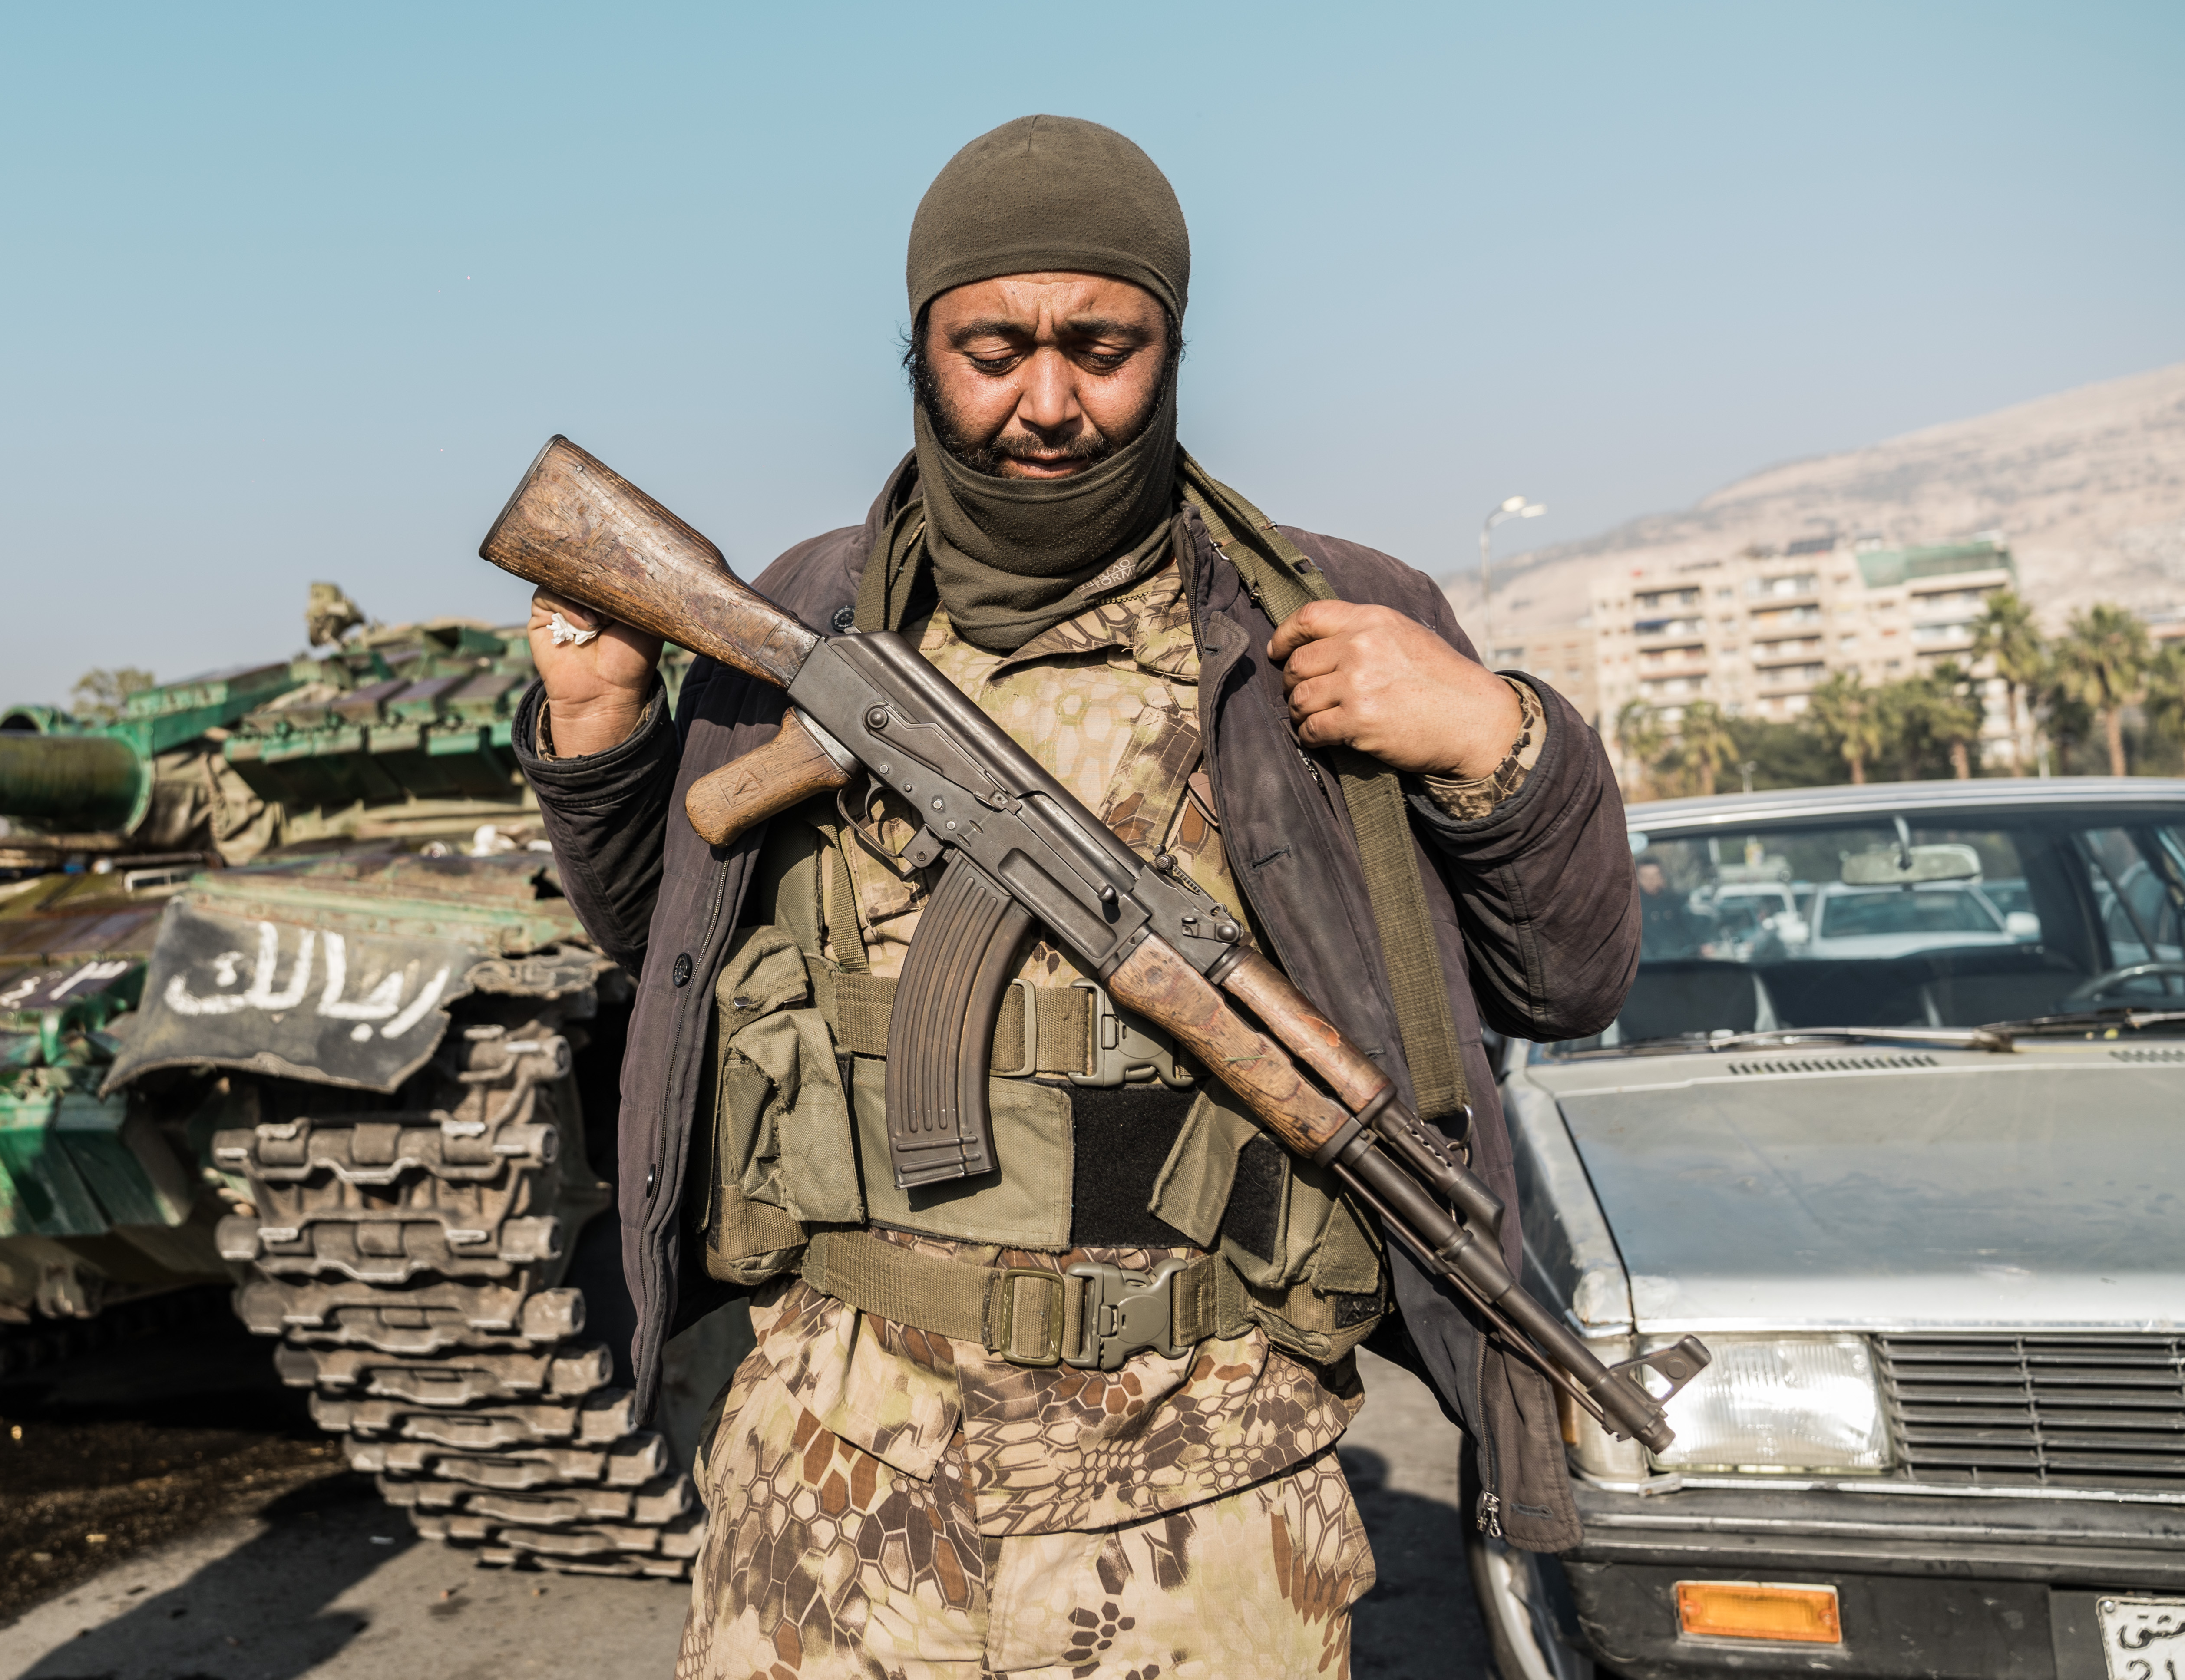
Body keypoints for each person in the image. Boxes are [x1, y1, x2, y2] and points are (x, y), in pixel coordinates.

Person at [516, 116, 1637, 1677]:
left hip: (1207, 1490)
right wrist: (599, 732)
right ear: (918, 346)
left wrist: (1495, 737)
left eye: (1101, 347)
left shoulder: (1327, 616)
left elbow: (1570, 980)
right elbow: (668, 949)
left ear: (1172, 346)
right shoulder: (804, 608)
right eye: (995, 348)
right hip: (835, 1468)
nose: (1047, 402)